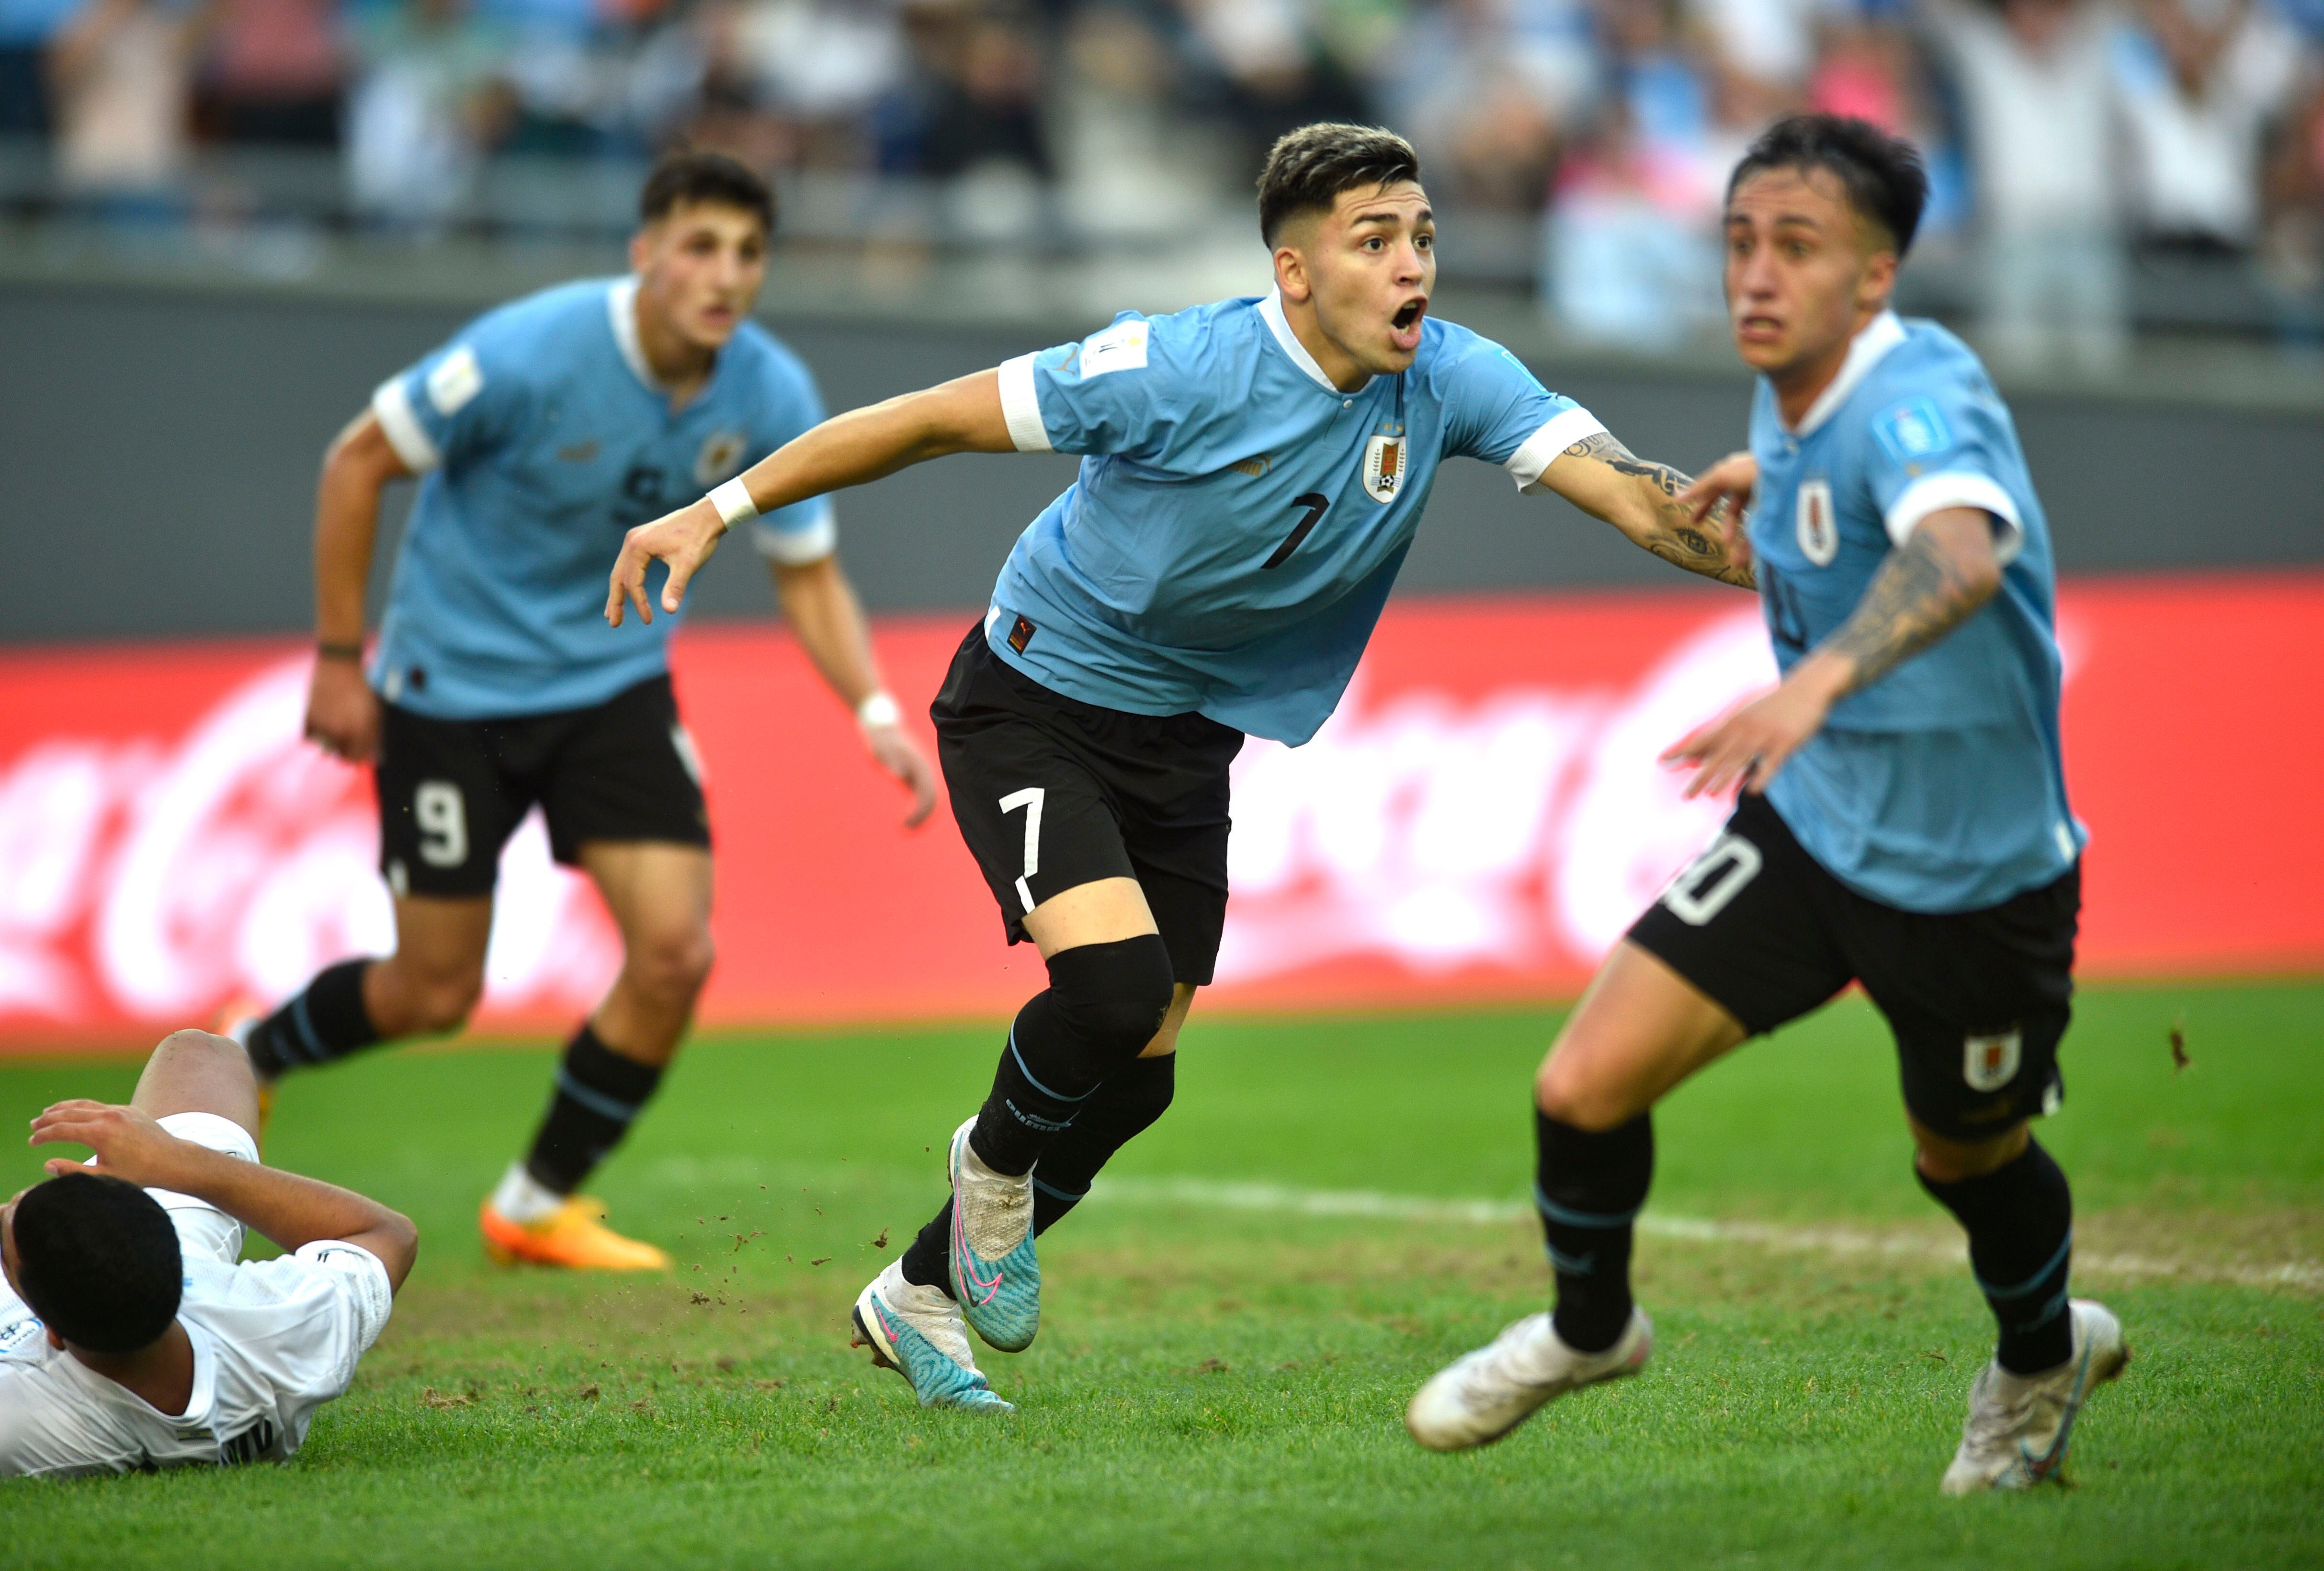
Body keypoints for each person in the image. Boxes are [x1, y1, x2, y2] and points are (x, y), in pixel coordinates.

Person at [606, 122, 1755, 1411]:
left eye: (1420, 236)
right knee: (1105, 993)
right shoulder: (1170, 367)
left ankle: (917, 1288)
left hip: (1184, 743)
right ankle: (987, 1179)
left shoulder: (1447, 378)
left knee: (1140, 1076)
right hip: (1030, 703)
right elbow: (926, 421)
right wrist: (714, 511)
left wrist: (1790, 564)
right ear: (1294, 271)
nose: (1408, 266)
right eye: (1371, 240)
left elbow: (1632, 491)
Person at [1403, 114, 2127, 1495]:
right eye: (1739, 240)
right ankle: (1588, 1326)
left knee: (1963, 1157)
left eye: (1795, 247)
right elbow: (1834, 516)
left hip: (1974, 875)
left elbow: (1959, 553)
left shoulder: (1918, 390)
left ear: (1872, 278)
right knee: (1580, 1084)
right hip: (1812, 829)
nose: (1754, 273)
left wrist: (1811, 686)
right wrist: (1766, 490)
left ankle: (2038, 1354)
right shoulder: (1784, 396)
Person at [231, 149, 938, 1274]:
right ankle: (249, 1050)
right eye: (701, 246)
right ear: (644, 253)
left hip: (611, 688)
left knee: (674, 952)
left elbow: (805, 571)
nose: (727, 276)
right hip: (450, 691)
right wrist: (334, 657)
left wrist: (874, 709)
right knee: (434, 991)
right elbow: (356, 462)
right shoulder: (528, 353)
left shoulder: (769, 393)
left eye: (750, 254)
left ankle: (534, 1202)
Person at [1, 1029, 416, 1477]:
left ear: (53, 1335)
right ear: (171, 1254)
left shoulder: (20, 1422)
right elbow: (389, 1233)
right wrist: (179, 1161)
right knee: (201, 1055)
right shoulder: (278, 1332)